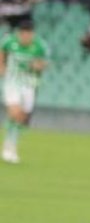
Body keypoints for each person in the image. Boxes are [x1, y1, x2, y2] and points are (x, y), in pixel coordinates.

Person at [0, 18, 50, 163]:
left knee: (23, 117)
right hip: (12, 82)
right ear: (19, 33)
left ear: (33, 34)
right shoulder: (9, 41)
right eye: (23, 34)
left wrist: (38, 66)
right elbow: (2, 51)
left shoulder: (40, 45)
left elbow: (45, 63)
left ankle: (11, 142)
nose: (25, 37)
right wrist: (2, 66)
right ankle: (9, 145)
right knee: (14, 112)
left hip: (29, 84)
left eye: (28, 34)